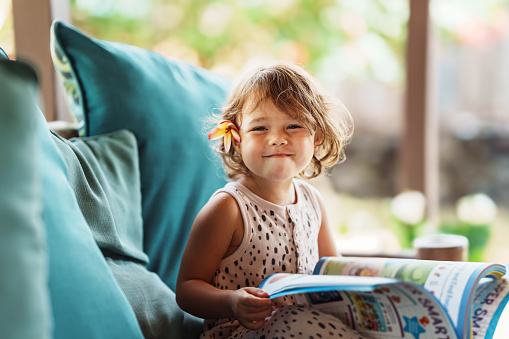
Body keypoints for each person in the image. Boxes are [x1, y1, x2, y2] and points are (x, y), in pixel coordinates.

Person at [176, 61, 363, 338]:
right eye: (260, 128)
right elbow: (187, 288)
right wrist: (232, 302)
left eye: (293, 125)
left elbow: (332, 271)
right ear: (237, 139)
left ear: (317, 135)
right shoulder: (228, 208)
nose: (277, 138)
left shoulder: (313, 201)